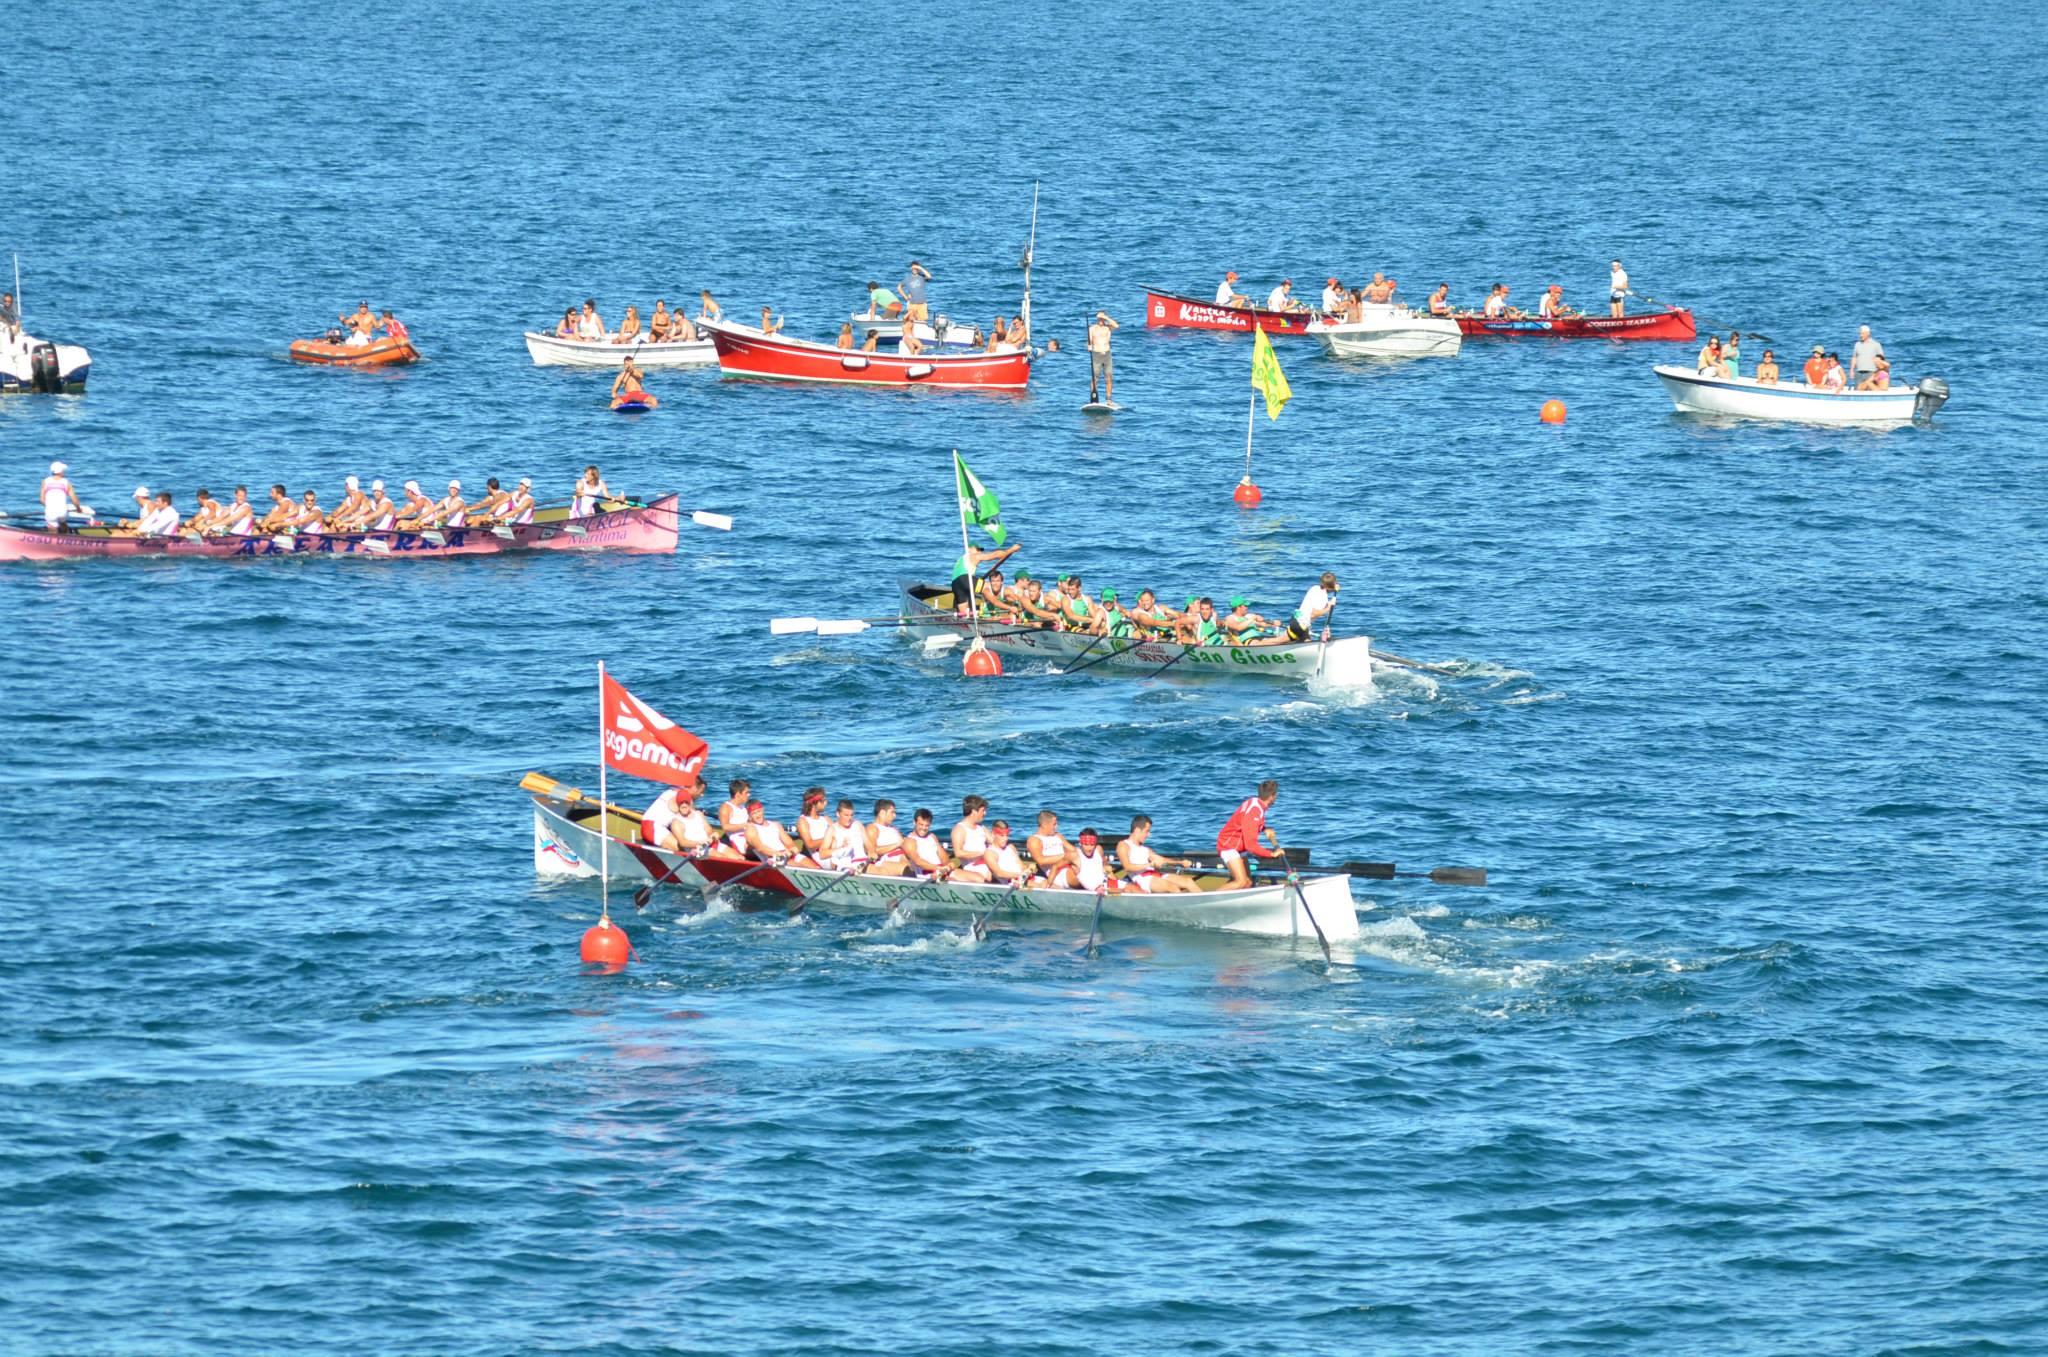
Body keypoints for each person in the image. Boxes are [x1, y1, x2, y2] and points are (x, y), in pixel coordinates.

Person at [1215, 779, 1283, 889]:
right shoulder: (1255, 810)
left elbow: (1249, 823)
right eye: (1276, 794)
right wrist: (1271, 854)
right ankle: (1211, 898)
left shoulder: (1255, 802)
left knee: (1248, 883)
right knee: (1241, 882)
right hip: (1228, 846)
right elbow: (1251, 846)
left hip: (1239, 847)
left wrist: (1264, 828)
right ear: (1272, 796)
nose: (1277, 796)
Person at [1117, 815, 1200, 893]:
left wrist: (1180, 862)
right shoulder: (1123, 845)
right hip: (1142, 878)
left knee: (1188, 882)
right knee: (1171, 887)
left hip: (1156, 875)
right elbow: (1128, 867)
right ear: (1137, 830)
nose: (1149, 835)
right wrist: (1150, 864)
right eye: (1147, 831)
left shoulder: (1146, 849)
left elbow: (1162, 859)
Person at [950, 538, 1022, 613]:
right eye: (978, 549)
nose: (979, 552)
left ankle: (965, 618)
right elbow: (996, 555)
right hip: (965, 579)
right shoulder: (974, 556)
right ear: (969, 549)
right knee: (989, 587)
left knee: (964, 613)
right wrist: (1011, 549)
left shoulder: (961, 560)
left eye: (981, 550)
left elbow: (962, 580)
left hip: (955, 585)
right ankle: (1007, 606)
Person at [642, 782, 712, 855]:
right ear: (694, 788)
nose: (702, 795)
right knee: (685, 850)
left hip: (646, 823)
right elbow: (694, 821)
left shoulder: (672, 790)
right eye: (701, 791)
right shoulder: (685, 799)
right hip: (654, 830)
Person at [743, 800, 814, 866]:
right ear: (749, 816)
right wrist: (780, 854)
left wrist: (792, 848)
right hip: (772, 859)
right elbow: (761, 848)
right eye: (754, 813)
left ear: (762, 810)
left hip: (787, 854)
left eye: (758, 811)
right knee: (800, 867)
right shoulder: (750, 829)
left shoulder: (776, 824)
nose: (758, 815)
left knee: (815, 868)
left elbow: (789, 843)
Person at [949, 796, 994, 882]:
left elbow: (994, 843)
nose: (985, 813)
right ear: (974, 812)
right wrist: (982, 854)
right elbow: (958, 853)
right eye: (983, 811)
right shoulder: (959, 829)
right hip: (972, 869)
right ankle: (953, 875)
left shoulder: (981, 827)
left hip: (985, 864)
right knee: (983, 878)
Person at [1027, 811, 1078, 887]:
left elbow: (1073, 850)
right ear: (1044, 825)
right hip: (1057, 873)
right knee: (1082, 875)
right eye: (1054, 824)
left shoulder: (1058, 835)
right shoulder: (1034, 840)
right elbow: (1041, 861)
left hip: (1070, 865)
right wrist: (1065, 856)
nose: (1057, 826)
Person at [1286, 572, 1339, 643]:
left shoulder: (1315, 588)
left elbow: (1315, 606)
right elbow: (1313, 614)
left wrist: (1333, 590)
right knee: (1307, 643)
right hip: (1301, 625)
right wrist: (1328, 607)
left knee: (1282, 640)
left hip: (1295, 619)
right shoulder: (1323, 597)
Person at [902, 808, 952, 880]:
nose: (924, 828)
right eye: (921, 824)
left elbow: (943, 856)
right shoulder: (909, 841)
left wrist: (948, 866)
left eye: (927, 825)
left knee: (967, 876)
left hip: (940, 871)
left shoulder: (932, 836)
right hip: (927, 875)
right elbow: (918, 862)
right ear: (914, 822)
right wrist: (938, 868)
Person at [821, 799, 868, 871]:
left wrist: (872, 852)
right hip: (845, 866)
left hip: (862, 863)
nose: (849, 818)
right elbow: (822, 854)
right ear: (838, 814)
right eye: (846, 815)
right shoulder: (832, 830)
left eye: (851, 815)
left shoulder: (858, 825)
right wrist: (841, 848)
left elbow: (869, 845)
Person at [984, 821, 1034, 886]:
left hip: (1022, 879)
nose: (1005, 839)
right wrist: (1019, 875)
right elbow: (999, 873)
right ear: (993, 834)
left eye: (1007, 835)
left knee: (1044, 882)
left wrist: (1027, 871)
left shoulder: (1011, 847)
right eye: (1002, 836)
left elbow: (1021, 866)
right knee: (1041, 885)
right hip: (1011, 883)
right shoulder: (990, 853)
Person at [865, 800, 909, 876]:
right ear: (882, 813)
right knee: (906, 864)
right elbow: (872, 852)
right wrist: (897, 845)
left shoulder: (893, 829)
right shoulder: (872, 828)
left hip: (901, 856)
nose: (895, 816)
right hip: (886, 861)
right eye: (892, 812)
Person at [1071, 827, 1118, 894]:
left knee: (1130, 888)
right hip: (1090, 886)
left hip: (1103, 882)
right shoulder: (1074, 854)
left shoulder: (1099, 849)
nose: (1089, 848)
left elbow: (1105, 865)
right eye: (1086, 845)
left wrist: (1109, 873)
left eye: (1092, 845)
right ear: (1080, 843)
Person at [40, 461, 83, 530]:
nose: (64, 472)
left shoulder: (45, 482)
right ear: (61, 472)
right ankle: (66, 533)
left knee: (52, 530)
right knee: (63, 523)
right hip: (62, 511)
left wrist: (49, 507)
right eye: (63, 470)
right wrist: (78, 508)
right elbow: (74, 499)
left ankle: (53, 534)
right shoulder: (66, 482)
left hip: (50, 512)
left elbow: (42, 500)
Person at [1087, 310, 1118, 403]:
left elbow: (1117, 326)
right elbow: (1089, 341)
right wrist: (1088, 346)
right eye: (1099, 318)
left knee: (1108, 378)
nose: (1100, 320)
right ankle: (1093, 397)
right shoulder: (1092, 329)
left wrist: (1106, 317)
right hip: (1096, 355)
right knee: (1095, 378)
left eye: (1102, 318)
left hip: (1107, 355)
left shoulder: (1108, 328)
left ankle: (1109, 399)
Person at [794, 788, 833, 861]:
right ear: (815, 803)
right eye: (824, 800)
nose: (826, 802)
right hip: (820, 855)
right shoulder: (803, 821)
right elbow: (810, 845)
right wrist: (830, 838)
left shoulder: (826, 818)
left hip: (833, 850)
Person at [717, 779, 753, 854]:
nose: (749, 795)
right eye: (746, 793)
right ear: (738, 794)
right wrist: (745, 825)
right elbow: (725, 827)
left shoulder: (743, 808)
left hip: (747, 838)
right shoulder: (726, 807)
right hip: (737, 841)